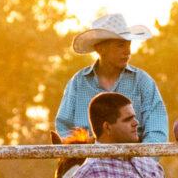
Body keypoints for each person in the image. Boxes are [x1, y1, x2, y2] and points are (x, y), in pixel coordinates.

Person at [55, 14, 169, 144]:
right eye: (120, 45)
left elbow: (157, 131)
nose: (128, 51)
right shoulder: (78, 82)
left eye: (128, 45)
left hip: (133, 158)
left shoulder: (142, 81)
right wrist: (83, 155)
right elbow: (64, 127)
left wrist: (140, 160)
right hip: (87, 160)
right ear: (100, 48)